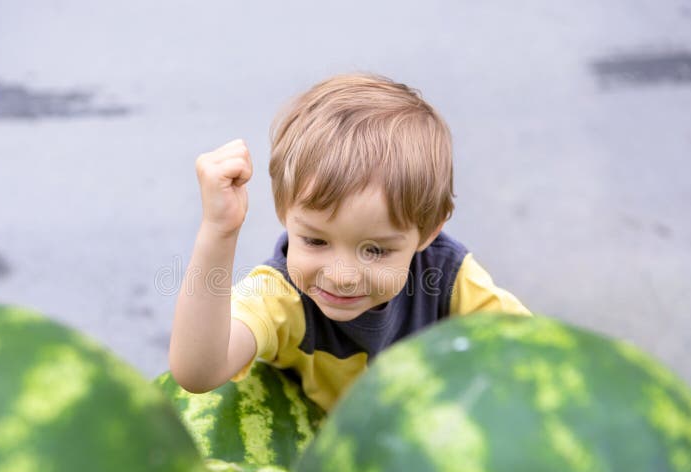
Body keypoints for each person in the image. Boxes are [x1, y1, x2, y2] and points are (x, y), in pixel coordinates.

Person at [169, 73, 529, 412]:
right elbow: (198, 372)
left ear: (428, 232)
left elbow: (539, 359)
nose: (342, 276)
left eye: (374, 250)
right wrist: (219, 231)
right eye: (315, 241)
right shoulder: (281, 296)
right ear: (284, 212)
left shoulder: (449, 280)